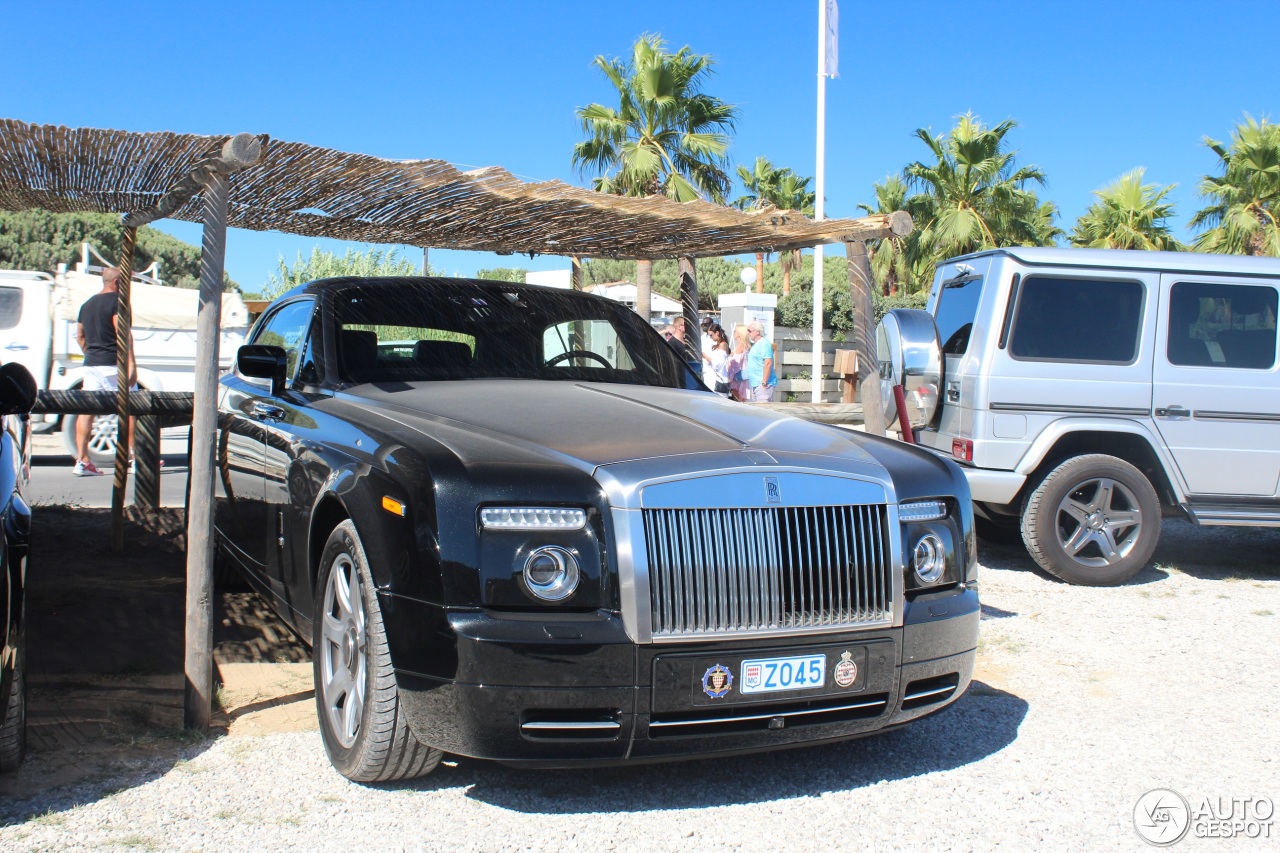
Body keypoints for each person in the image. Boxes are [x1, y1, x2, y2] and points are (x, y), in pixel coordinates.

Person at [74, 266, 136, 476]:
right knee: (131, 409)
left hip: (91, 364)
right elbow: (123, 337)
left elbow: (80, 336)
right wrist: (131, 367)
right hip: (113, 364)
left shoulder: (86, 305)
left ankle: (82, 461)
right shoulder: (118, 302)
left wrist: (91, 352)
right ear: (118, 282)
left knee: (86, 413)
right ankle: (134, 458)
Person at [745, 321, 778, 402]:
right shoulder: (755, 345)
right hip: (755, 384)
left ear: (757, 332)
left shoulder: (764, 344)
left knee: (763, 411)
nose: (748, 333)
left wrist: (764, 382)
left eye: (749, 331)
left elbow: (768, 363)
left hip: (763, 385)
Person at [703, 322, 732, 396]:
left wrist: (705, 356)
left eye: (711, 335)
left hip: (719, 380)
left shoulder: (722, 345)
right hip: (713, 379)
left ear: (717, 333)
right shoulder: (717, 345)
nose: (710, 337)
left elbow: (717, 363)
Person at [726, 323, 752, 401]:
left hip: (738, 377)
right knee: (741, 400)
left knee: (738, 400)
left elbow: (735, 362)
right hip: (743, 376)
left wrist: (730, 358)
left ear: (739, 334)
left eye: (735, 331)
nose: (733, 333)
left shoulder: (741, 345)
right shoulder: (745, 345)